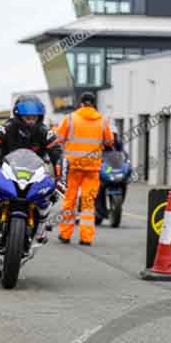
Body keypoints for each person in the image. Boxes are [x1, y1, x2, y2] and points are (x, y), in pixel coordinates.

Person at [0, 95, 63, 239]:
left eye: (34, 117)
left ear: (40, 117)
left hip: (35, 172)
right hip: (6, 169)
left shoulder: (45, 132)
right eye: (27, 117)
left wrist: (60, 177)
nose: (31, 121)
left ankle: (41, 228)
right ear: (18, 116)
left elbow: (57, 153)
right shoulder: (6, 127)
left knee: (53, 192)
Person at [54, 92, 113, 245]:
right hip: (92, 168)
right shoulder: (102, 120)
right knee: (88, 203)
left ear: (81, 103)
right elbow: (109, 141)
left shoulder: (70, 118)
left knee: (70, 200)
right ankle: (86, 237)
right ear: (93, 104)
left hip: (73, 167)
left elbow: (58, 139)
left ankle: (65, 234)